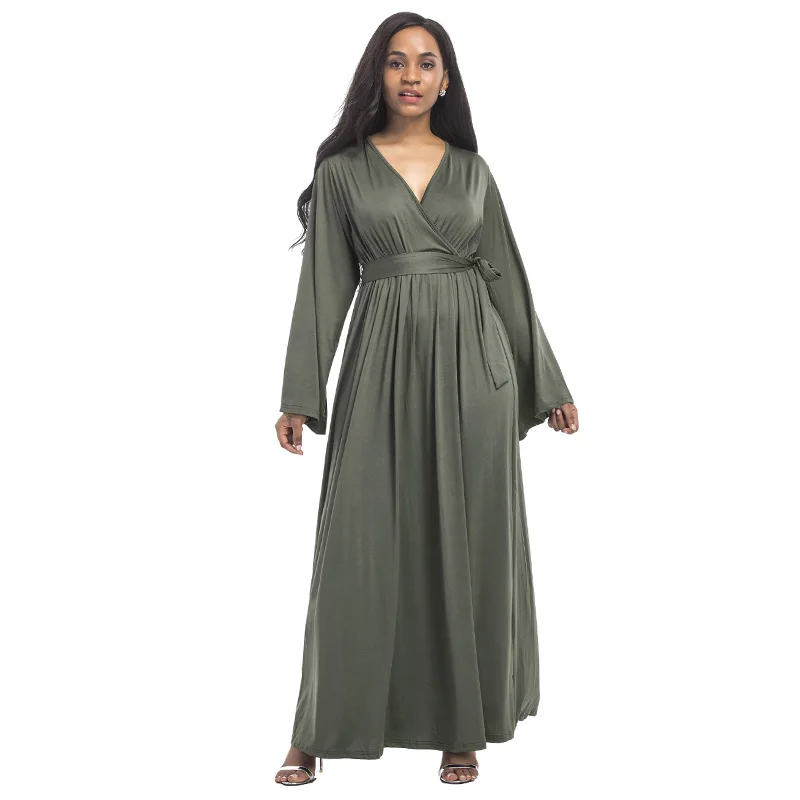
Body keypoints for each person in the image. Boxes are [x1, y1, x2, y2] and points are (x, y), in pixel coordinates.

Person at [274, 12, 579, 786]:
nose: (411, 75)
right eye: (397, 61)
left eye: (427, 62)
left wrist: (546, 384)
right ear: (376, 74)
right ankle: (316, 727)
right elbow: (323, 289)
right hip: (379, 367)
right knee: (357, 549)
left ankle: (460, 727)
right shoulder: (343, 171)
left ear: (446, 80)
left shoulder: (473, 172)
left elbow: (508, 278)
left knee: (466, 546)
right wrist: (300, 395)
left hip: (475, 374)